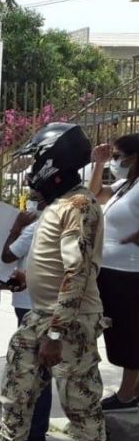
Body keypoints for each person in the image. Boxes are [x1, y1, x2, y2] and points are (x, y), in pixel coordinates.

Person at [0, 123, 107, 441]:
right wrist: (27, 278)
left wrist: (56, 334)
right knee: (16, 396)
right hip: (41, 315)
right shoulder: (58, 205)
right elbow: (56, 263)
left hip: (69, 323)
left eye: (38, 160)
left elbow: (78, 272)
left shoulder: (80, 206)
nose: (31, 171)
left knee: (81, 406)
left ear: (54, 162)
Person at [89, 134, 139, 413]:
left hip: (131, 272)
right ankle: (133, 390)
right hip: (111, 270)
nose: (116, 161)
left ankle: (126, 395)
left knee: (130, 333)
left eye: (119, 156)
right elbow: (94, 194)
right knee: (118, 330)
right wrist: (99, 164)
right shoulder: (126, 185)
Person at [0, 193, 52, 441]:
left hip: (29, 304)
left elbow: (8, 255)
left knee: (28, 370)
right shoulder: (55, 223)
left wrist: (16, 227)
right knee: (41, 370)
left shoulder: (33, 226)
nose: (29, 202)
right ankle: (37, 432)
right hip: (43, 302)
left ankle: (30, 431)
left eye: (33, 196)